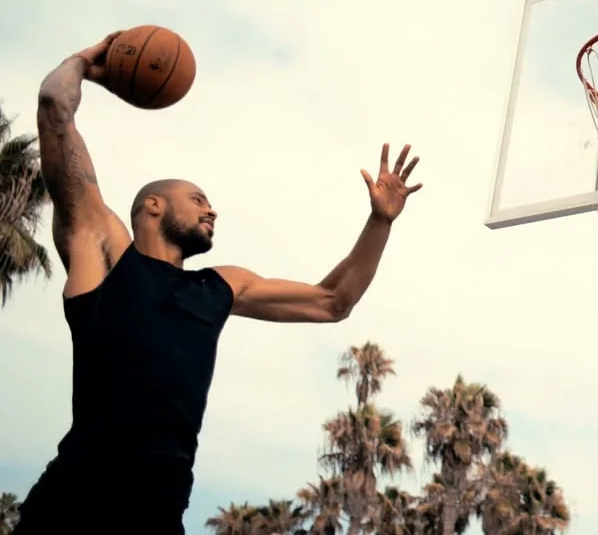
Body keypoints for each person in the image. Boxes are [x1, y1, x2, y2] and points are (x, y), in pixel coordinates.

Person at [14, 33, 421, 534]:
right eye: (199, 198)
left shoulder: (219, 287)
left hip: (159, 514)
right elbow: (55, 104)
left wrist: (380, 222)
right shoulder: (104, 253)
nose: (212, 209)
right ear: (154, 206)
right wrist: (83, 61)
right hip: (74, 504)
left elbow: (333, 302)